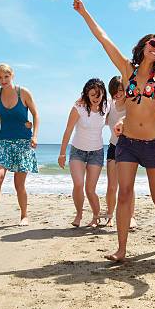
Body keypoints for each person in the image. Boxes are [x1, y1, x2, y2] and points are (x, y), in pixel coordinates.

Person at [73, 0, 155, 262]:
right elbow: (103, 38)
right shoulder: (127, 70)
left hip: (154, 143)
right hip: (128, 143)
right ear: (143, 46)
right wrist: (84, 12)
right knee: (124, 193)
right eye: (152, 44)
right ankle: (121, 249)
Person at [0, 63, 40, 230]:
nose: (3, 80)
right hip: (4, 142)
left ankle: (24, 215)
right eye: (0, 77)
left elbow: (36, 114)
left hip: (23, 143)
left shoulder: (23, 92)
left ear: (12, 76)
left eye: (6, 76)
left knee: (19, 184)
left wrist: (35, 135)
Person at [58, 78, 108, 227]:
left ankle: (95, 216)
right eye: (92, 95)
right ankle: (79, 214)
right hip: (78, 151)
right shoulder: (78, 107)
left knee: (90, 189)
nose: (96, 98)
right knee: (78, 184)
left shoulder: (107, 106)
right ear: (86, 94)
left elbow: (121, 97)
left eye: (98, 95)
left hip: (96, 152)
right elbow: (68, 131)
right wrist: (62, 154)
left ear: (103, 94)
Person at [101, 76, 136, 228]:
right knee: (112, 186)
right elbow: (95, 106)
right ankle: (110, 215)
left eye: (121, 90)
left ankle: (132, 216)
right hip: (114, 147)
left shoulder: (131, 104)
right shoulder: (109, 104)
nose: (118, 94)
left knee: (128, 186)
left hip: (129, 148)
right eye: (115, 91)